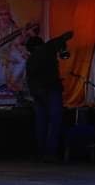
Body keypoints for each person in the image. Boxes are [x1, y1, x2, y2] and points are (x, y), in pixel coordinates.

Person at [25, 30, 74, 161]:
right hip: (51, 89)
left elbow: (29, 79)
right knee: (55, 121)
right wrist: (66, 37)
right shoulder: (46, 49)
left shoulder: (30, 60)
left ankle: (41, 152)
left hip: (37, 93)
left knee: (41, 122)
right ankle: (50, 153)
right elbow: (64, 36)